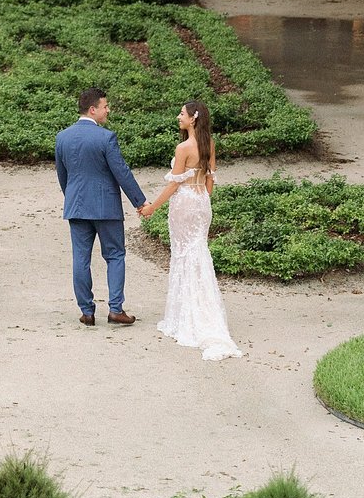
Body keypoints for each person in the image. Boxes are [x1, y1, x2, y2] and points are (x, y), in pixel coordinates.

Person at [140, 99, 242, 361]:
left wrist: (152, 207)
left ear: (193, 118)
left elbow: (174, 184)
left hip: (185, 202)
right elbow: (210, 181)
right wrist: (202, 200)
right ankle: (204, 310)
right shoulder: (209, 145)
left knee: (184, 254)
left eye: (182, 114)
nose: (178, 117)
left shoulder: (184, 147)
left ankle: (186, 315)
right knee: (199, 251)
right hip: (201, 203)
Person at [55, 88, 148, 327]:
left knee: (80, 259)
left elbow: (63, 176)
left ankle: (87, 311)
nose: (108, 110)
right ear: (93, 109)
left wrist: (74, 199)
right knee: (115, 255)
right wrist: (140, 201)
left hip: (76, 207)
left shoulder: (62, 137)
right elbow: (122, 173)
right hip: (106, 207)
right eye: (105, 106)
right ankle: (115, 309)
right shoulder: (106, 137)